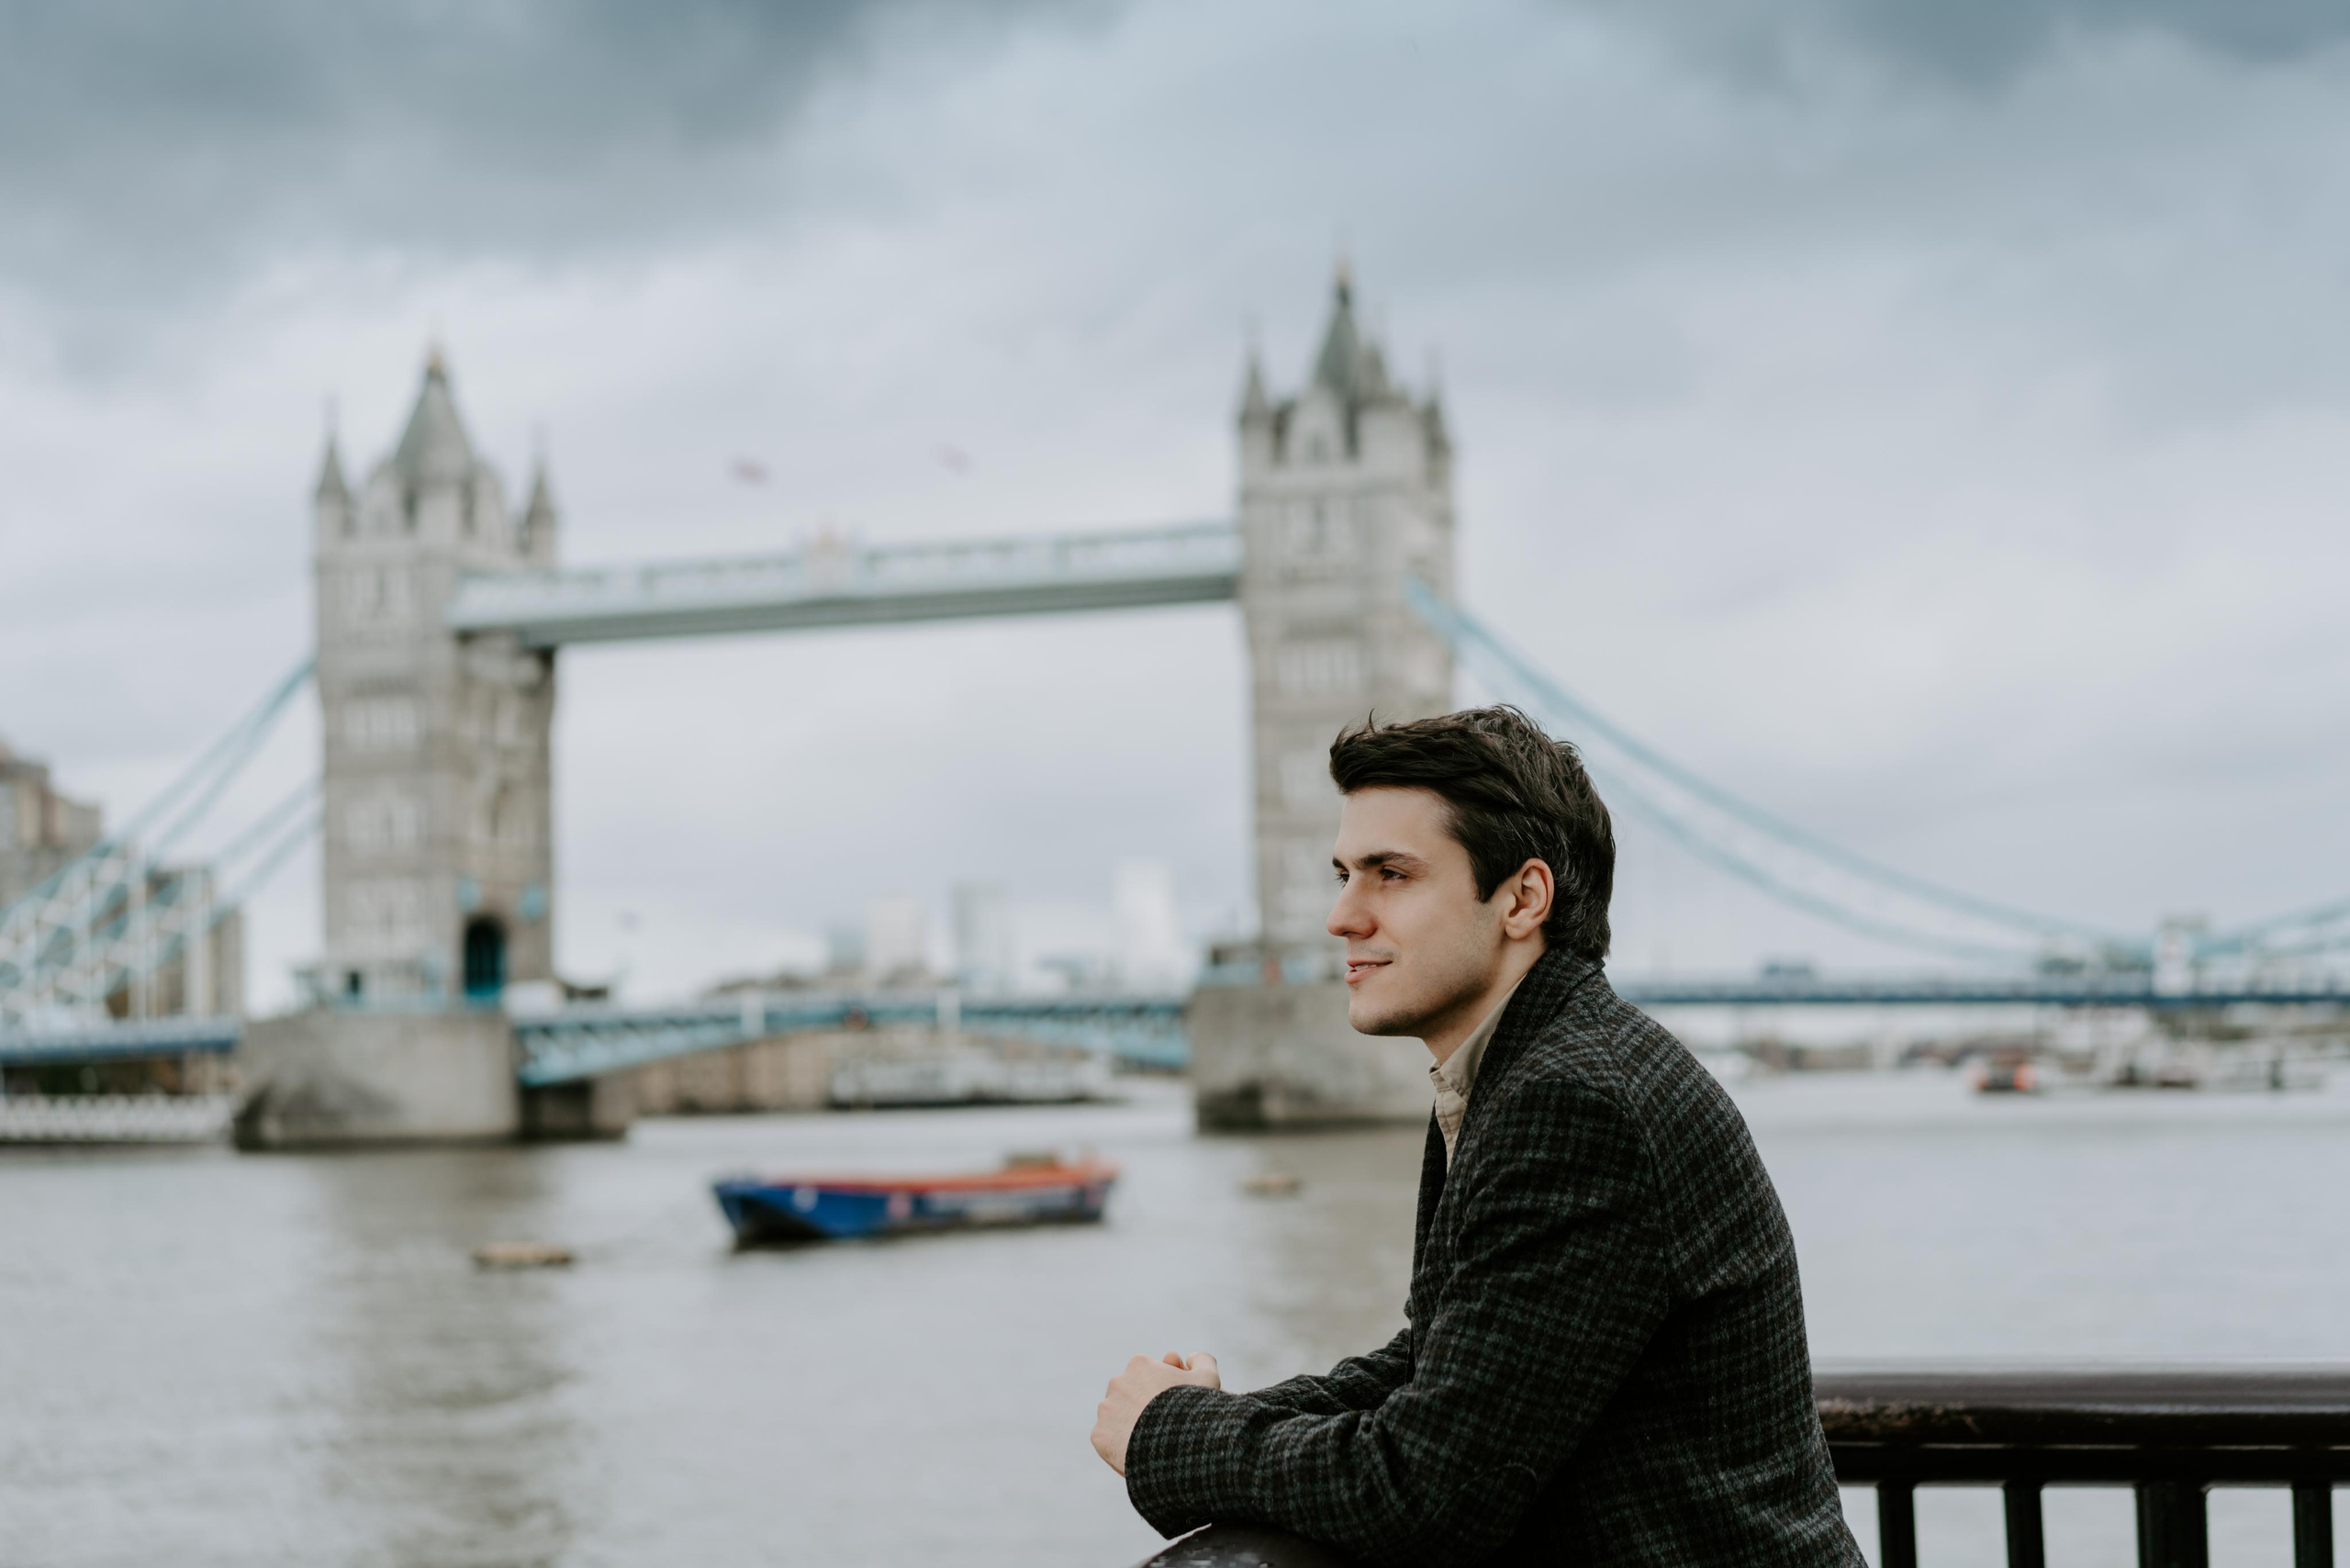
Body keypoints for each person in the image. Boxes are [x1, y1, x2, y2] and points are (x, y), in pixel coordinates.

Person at [1090, 706, 1863, 1567]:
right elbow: (1438, 1359)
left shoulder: (1575, 1101)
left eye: (1391, 874)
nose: (1342, 916)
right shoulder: (1525, 1065)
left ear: (1522, 899)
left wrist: (1172, 1434)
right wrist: (1222, 1415)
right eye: (1343, 873)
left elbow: (1423, 1490)